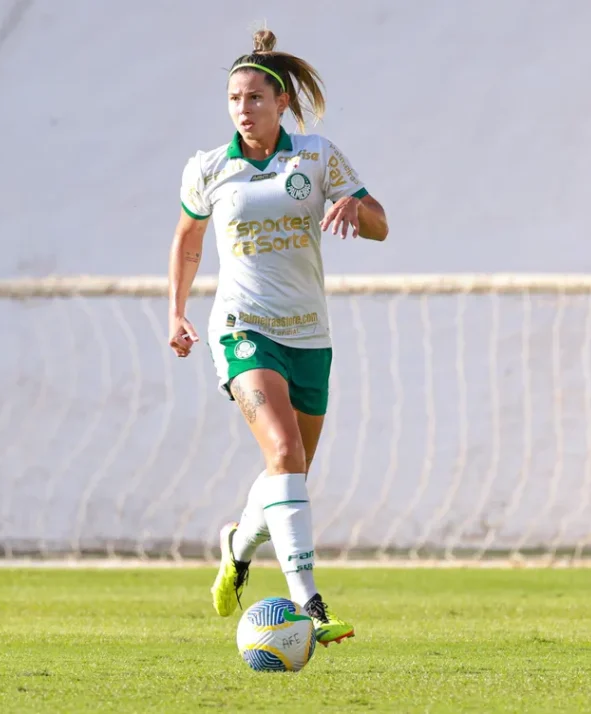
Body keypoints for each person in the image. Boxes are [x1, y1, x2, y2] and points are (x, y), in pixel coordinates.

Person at [166, 28, 388, 646]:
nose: (243, 108)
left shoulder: (316, 156)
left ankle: (236, 546)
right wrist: (177, 314)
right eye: (235, 98)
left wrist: (352, 211)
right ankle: (309, 603)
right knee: (285, 453)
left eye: (256, 97)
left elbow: (381, 224)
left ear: (282, 102)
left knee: (286, 474)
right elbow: (187, 242)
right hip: (242, 328)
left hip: (309, 335)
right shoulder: (208, 168)